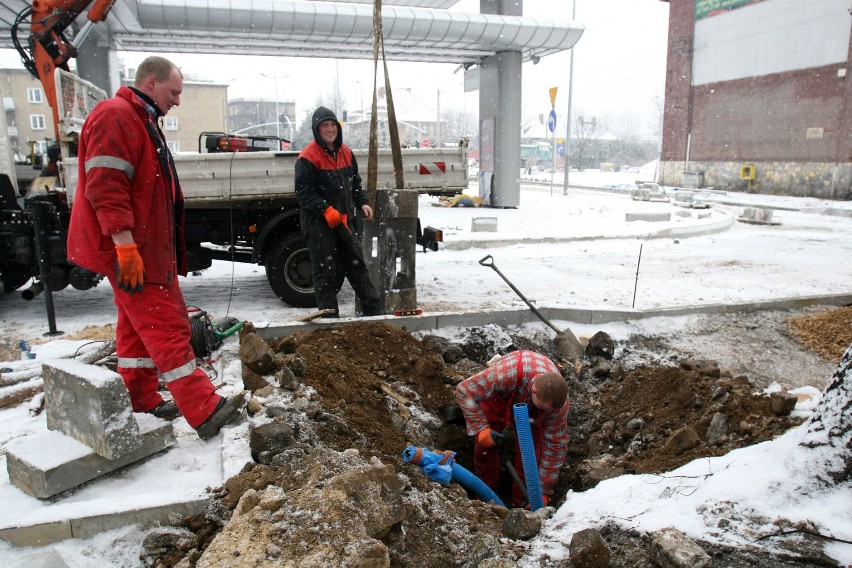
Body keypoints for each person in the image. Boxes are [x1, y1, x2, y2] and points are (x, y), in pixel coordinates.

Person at [67, 56, 245, 440]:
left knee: (135, 327)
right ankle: (204, 408)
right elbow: (105, 185)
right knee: (167, 326)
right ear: (151, 82)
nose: (178, 100)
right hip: (134, 252)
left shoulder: (139, 120)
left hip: (142, 249)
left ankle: (140, 397)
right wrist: (125, 246)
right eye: (174, 91)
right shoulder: (117, 116)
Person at [294, 106, 383, 318]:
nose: (330, 129)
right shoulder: (307, 157)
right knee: (325, 271)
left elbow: (355, 183)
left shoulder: (346, 153)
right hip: (318, 223)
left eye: (333, 125)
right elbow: (303, 192)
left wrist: (362, 203)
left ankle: (375, 313)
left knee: (356, 265)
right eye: (325, 125)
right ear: (317, 129)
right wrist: (325, 209)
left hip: (343, 220)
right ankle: (329, 318)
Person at [454, 350, 570, 507]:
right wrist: (481, 428)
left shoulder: (557, 406)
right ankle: (485, 501)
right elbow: (464, 391)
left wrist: (543, 490)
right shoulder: (505, 375)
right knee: (486, 450)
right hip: (500, 397)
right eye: (543, 407)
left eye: (549, 411)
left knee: (529, 458)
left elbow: (555, 446)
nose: (547, 413)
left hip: (532, 415)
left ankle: (523, 505)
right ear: (534, 391)